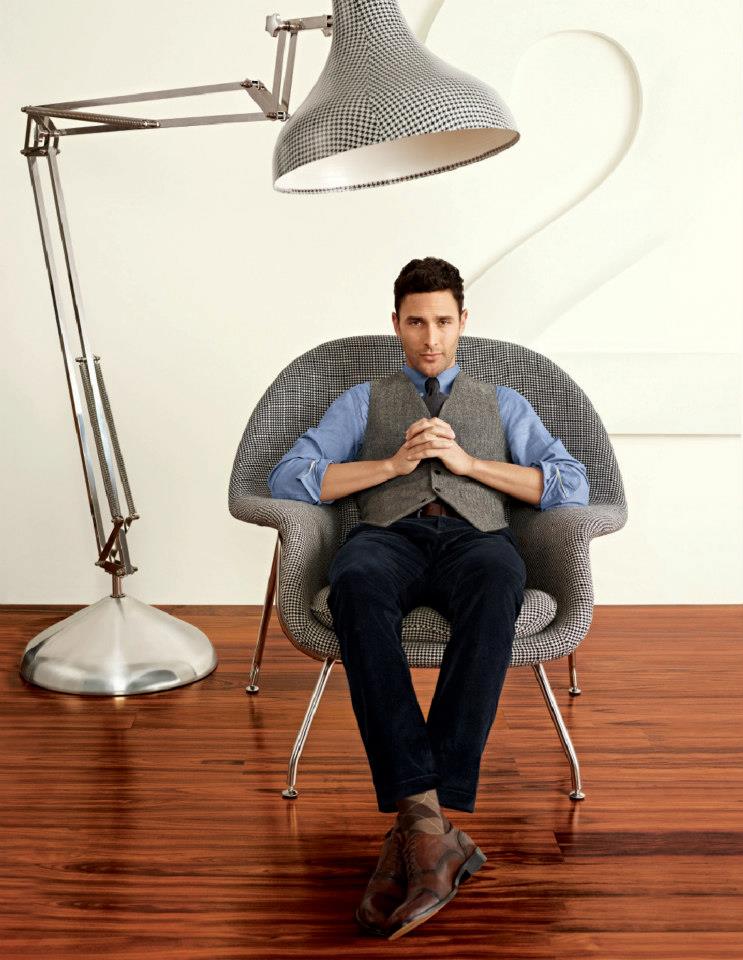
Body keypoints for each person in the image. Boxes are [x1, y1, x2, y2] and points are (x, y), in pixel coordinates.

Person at [268, 257, 589, 939]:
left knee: (498, 584)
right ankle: (432, 828)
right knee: (355, 584)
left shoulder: (503, 402)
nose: (430, 337)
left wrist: (470, 465)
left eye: (443, 321)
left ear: (462, 321)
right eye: (416, 322)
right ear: (396, 324)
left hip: (478, 539)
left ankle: (416, 825)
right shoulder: (363, 400)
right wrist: (392, 465)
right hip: (386, 537)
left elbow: (570, 484)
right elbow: (290, 476)